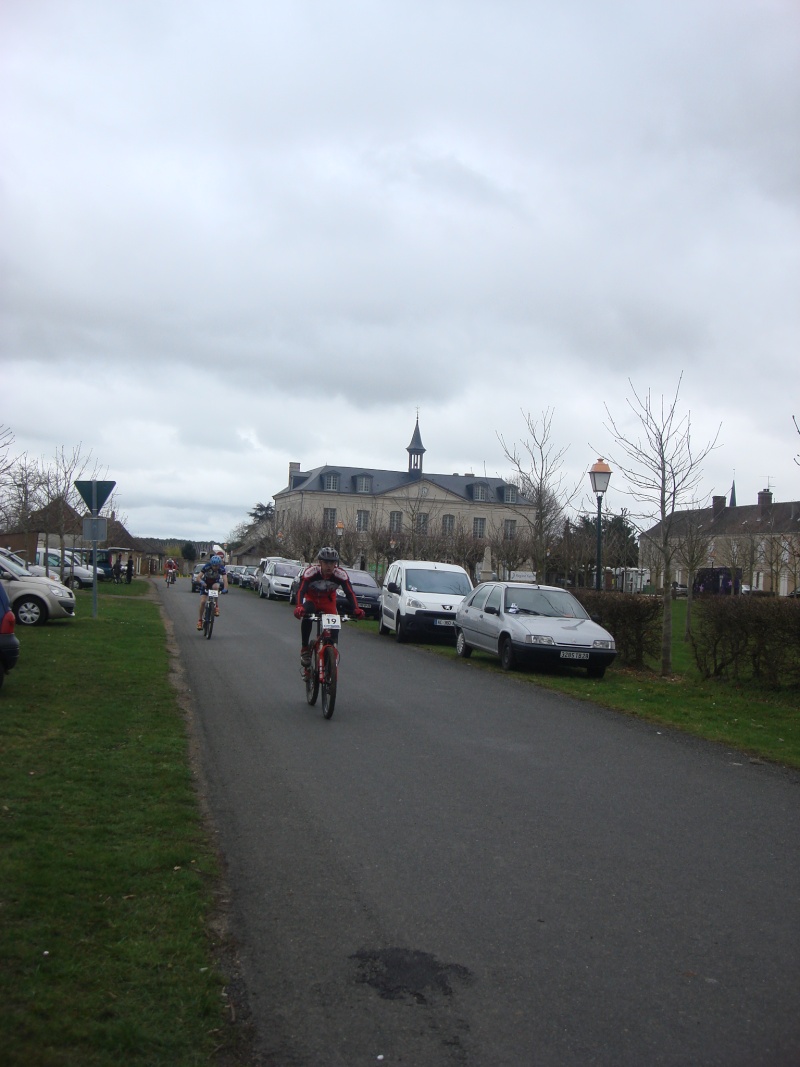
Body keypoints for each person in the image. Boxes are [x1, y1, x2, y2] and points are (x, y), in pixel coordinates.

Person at [293, 546, 364, 668]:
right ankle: (305, 649)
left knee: (334, 624)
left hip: (328, 602)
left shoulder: (340, 574)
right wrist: (299, 606)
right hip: (312, 600)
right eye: (326, 562)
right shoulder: (311, 572)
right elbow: (301, 590)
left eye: (332, 563)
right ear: (320, 562)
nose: (329, 566)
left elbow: (349, 593)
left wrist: (356, 609)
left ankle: (332, 650)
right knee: (307, 612)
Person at [197, 553, 228, 631]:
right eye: (213, 565)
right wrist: (201, 582)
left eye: (216, 566)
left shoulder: (221, 568)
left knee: (216, 587)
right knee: (203, 602)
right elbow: (198, 577)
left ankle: (216, 606)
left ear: (219, 565)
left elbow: (225, 579)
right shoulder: (207, 566)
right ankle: (200, 620)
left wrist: (225, 588)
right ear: (211, 564)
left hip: (214, 582)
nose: (215, 567)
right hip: (206, 584)